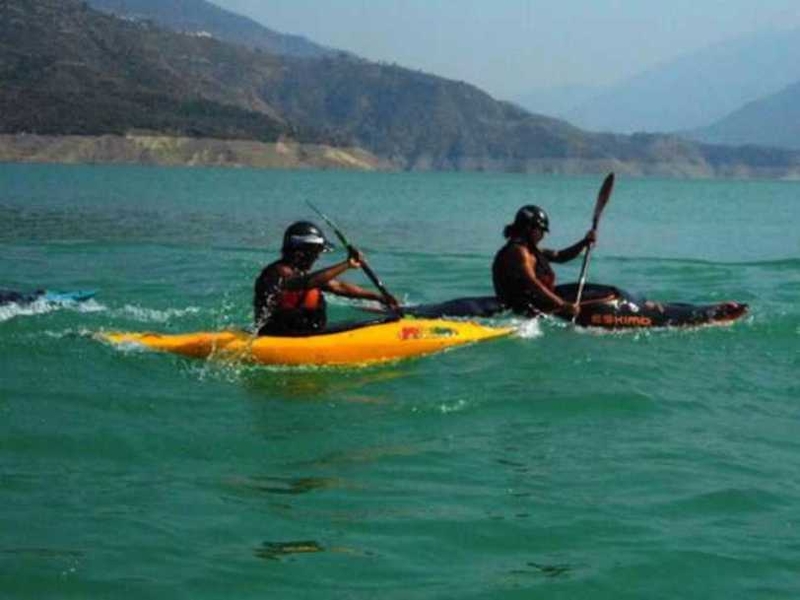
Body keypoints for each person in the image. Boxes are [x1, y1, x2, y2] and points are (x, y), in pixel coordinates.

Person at [254, 221, 399, 335]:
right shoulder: (277, 273)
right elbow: (308, 283)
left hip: (303, 333)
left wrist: (378, 297)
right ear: (301, 252)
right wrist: (347, 264)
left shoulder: (299, 272)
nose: (318, 257)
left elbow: (338, 286)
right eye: (316, 252)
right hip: (281, 335)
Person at [492, 205, 595, 318]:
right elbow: (532, 284)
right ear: (528, 228)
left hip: (536, 304)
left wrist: (585, 242)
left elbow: (560, 256)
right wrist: (563, 305)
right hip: (521, 311)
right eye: (541, 230)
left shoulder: (530, 250)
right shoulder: (518, 252)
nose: (543, 236)